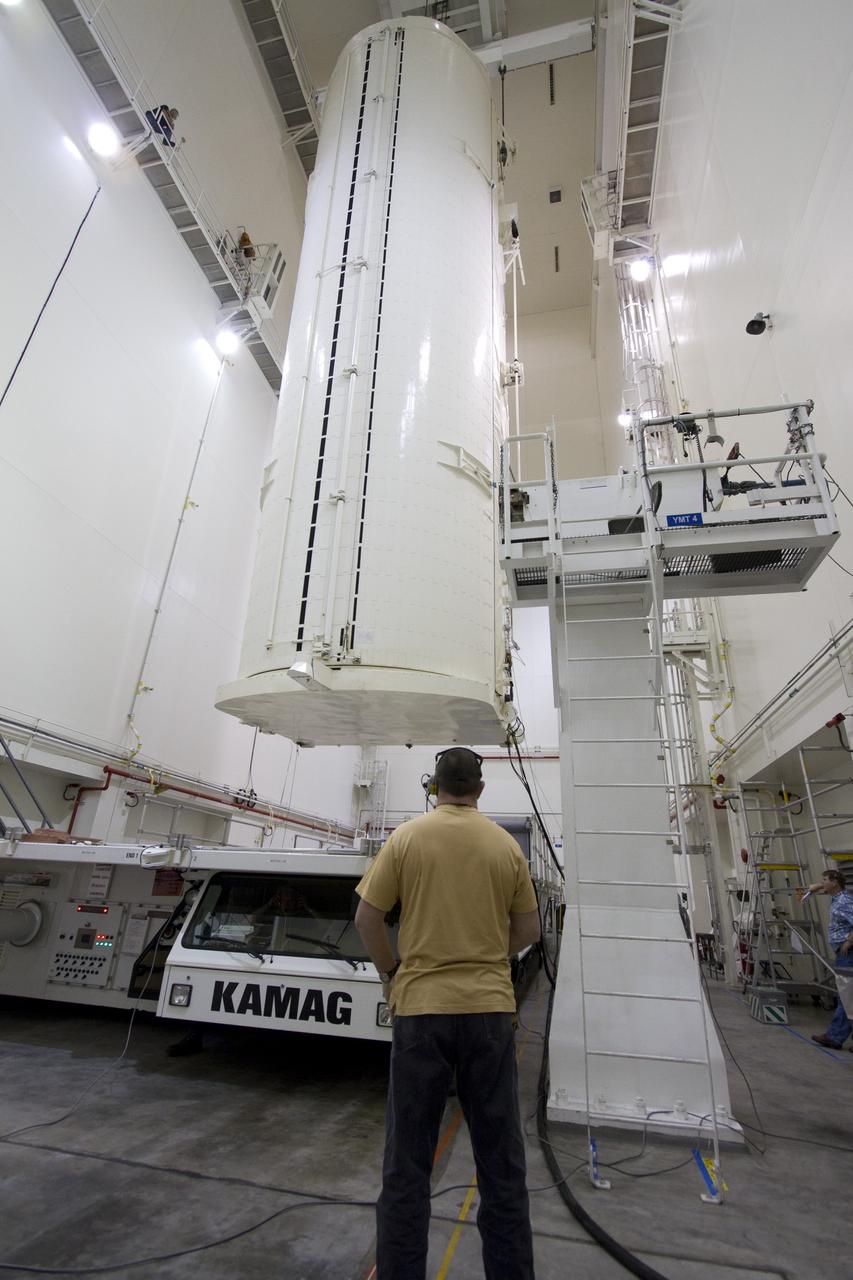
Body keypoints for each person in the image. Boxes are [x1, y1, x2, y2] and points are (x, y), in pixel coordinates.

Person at [355, 746, 540, 1280]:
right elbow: (529, 930)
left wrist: (393, 973)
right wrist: (484, 953)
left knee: (407, 1167)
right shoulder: (504, 846)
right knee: (502, 1166)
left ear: (433, 788)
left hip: (420, 1013)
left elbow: (368, 918)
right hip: (488, 1013)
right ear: (480, 790)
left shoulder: (407, 839)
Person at [802, 868, 853, 1049]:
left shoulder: (844, 901)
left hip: (848, 952)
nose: (822, 882)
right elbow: (818, 887)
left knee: (846, 996)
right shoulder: (837, 898)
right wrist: (817, 886)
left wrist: (848, 941)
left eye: (825, 880)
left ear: (835, 882)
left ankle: (835, 1036)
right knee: (849, 996)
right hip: (843, 952)